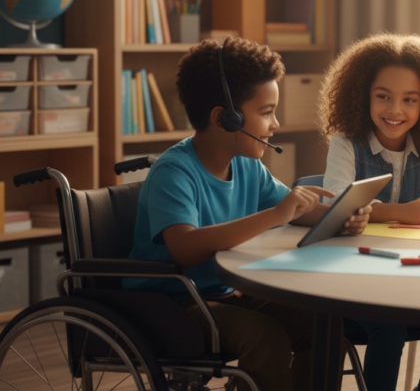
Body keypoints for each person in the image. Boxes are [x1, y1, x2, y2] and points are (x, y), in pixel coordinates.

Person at [126, 38, 371, 391]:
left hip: (224, 292)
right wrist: (276, 214)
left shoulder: (247, 166)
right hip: (172, 304)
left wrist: (342, 217)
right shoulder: (173, 172)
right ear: (225, 119)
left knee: (321, 320)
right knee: (264, 335)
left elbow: (296, 210)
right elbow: (185, 248)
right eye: (267, 111)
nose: (276, 124)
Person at [319, 32, 420, 391]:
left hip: (409, 278)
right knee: (388, 326)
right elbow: (335, 201)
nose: (395, 110)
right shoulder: (345, 143)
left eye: (410, 100)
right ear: (363, 97)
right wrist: (401, 211)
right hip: (352, 282)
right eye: (383, 97)